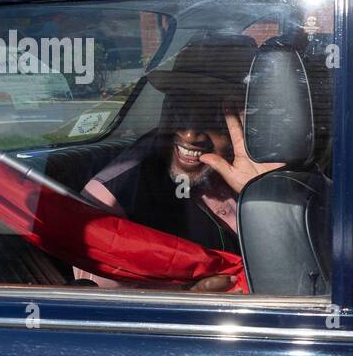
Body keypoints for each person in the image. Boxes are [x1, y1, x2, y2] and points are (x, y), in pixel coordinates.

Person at [73, 31, 284, 290]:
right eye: (180, 106)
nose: (189, 133)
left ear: (249, 115)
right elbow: (106, 312)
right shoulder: (116, 198)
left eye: (212, 113)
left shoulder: (271, 167)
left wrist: (266, 195)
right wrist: (189, 299)